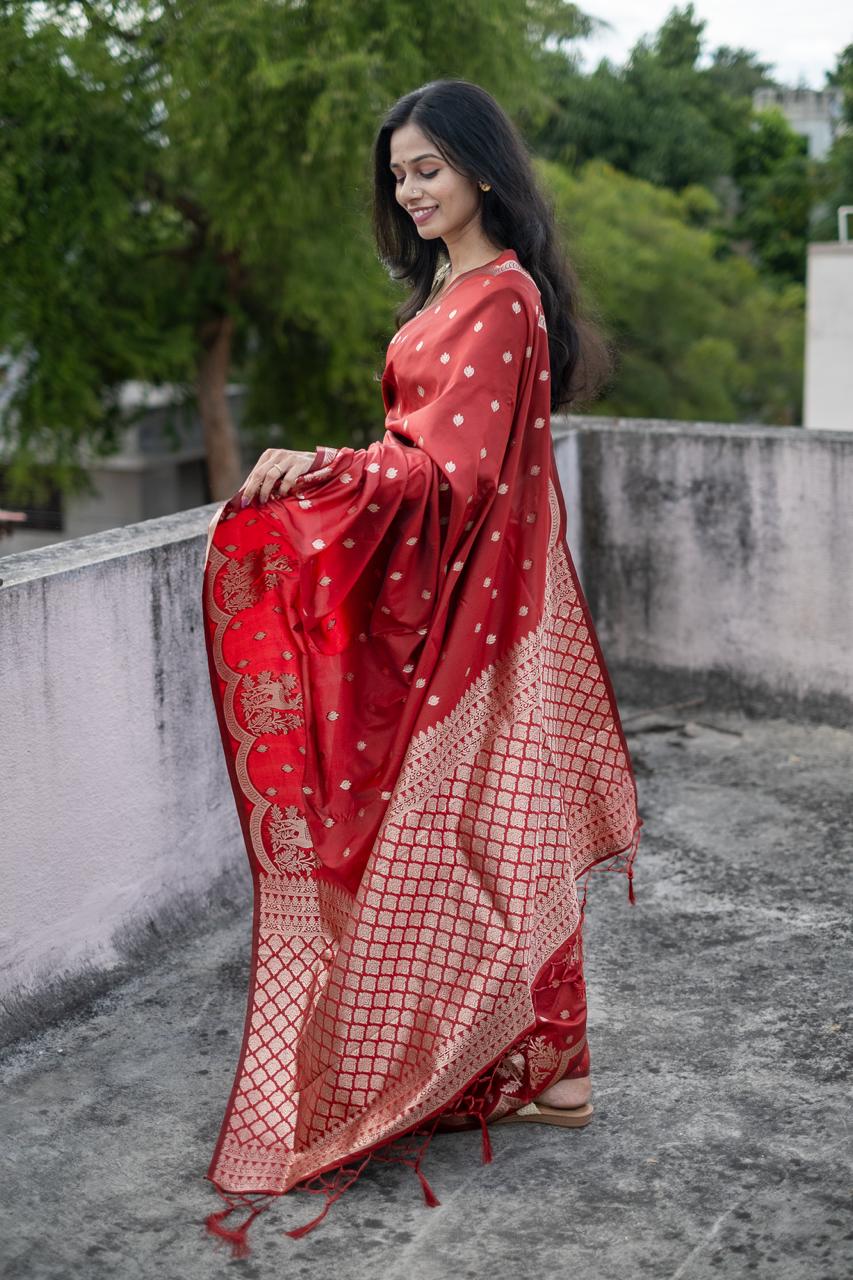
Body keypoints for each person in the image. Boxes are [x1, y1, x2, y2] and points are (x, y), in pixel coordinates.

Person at [201, 78, 641, 1257]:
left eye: (428, 168)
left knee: (491, 830)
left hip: (475, 607)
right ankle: (535, 1065)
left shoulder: (502, 300)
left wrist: (324, 469)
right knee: (480, 832)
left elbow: (456, 476)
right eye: (397, 174)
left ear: (482, 169)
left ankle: (548, 1065)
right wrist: (344, 474)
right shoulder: (450, 289)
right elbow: (424, 453)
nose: (408, 189)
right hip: (444, 592)